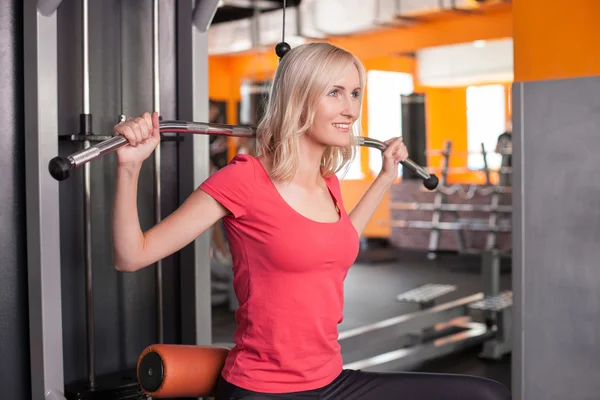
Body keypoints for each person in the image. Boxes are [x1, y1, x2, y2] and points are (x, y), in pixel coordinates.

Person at [111, 43, 511, 400]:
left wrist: (385, 178)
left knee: (485, 393)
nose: (350, 109)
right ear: (298, 100)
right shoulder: (243, 180)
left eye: (354, 93)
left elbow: (337, 241)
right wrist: (130, 168)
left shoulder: (327, 182)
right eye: (334, 93)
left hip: (330, 382)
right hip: (263, 389)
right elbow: (132, 255)